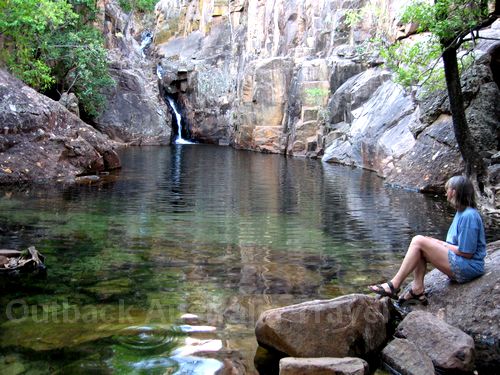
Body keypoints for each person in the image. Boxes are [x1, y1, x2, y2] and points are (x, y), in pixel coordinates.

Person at [369, 175, 487, 305]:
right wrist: (436, 243)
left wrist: (440, 243)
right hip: (463, 263)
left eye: (447, 189)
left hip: (469, 268)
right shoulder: (462, 212)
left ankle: (394, 285)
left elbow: (467, 253)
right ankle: (417, 289)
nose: (445, 192)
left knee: (418, 241)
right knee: (420, 245)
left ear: (454, 192)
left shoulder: (469, 216)